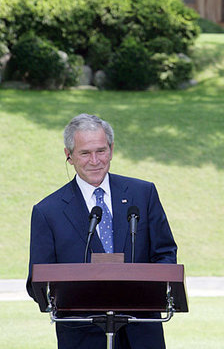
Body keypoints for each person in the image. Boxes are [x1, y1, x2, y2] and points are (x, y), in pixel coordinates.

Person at [27, 113, 178, 349]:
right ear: (69, 156)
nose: (95, 160)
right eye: (85, 153)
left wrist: (148, 290)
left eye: (101, 151)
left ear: (112, 149)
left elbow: (165, 254)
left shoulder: (143, 194)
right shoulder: (48, 212)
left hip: (142, 334)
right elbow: (37, 283)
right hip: (82, 337)